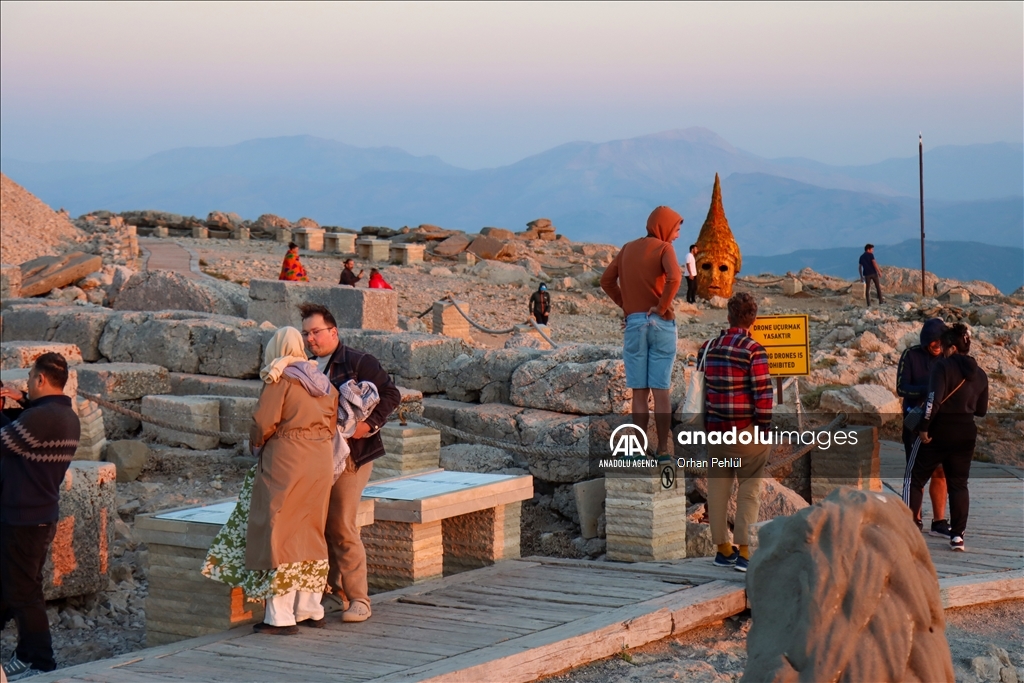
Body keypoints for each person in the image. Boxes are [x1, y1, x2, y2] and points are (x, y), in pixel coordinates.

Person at [203, 327, 338, 635]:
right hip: (319, 461)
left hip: (287, 460)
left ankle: (279, 617)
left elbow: (263, 422)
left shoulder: (282, 379)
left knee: (280, 532)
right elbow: (332, 423)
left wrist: (256, 444)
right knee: (311, 530)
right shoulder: (322, 381)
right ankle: (310, 608)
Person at [299, 303, 401, 623]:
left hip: (353, 455)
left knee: (342, 524)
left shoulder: (358, 361)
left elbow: (390, 394)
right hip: (317, 459)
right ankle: (333, 593)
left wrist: (368, 426)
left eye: (316, 332)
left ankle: (360, 598)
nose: (310, 338)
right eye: (306, 333)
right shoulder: (307, 366)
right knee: (320, 524)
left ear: (333, 332)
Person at [0, 353, 80, 678]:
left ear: (41, 380)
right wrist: (19, 399)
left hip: (24, 518)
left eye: (30, 379)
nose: (28, 384)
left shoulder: (41, 419)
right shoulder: (64, 414)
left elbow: (4, 441)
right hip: (38, 514)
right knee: (14, 586)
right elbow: (31, 425)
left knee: (24, 593)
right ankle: (26, 654)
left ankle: (41, 662)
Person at [601, 206, 683, 460]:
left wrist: (627, 306)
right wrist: (661, 307)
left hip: (635, 324)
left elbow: (606, 281)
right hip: (660, 324)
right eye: (677, 229)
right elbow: (675, 277)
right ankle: (662, 450)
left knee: (639, 392)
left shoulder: (627, 248)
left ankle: (637, 450)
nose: (677, 235)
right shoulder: (664, 248)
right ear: (665, 226)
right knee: (661, 391)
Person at [700, 292, 773, 573]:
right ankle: (744, 552)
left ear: (728, 316)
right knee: (749, 490)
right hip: (745, 432)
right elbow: (763, 396)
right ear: (753, 319)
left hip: (716, 433)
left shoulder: (708, 347)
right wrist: (764, 429)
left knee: (717, 488)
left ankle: (722, 549)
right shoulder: (754, 350)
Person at [904, 324, 988, 552]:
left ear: (950, 347)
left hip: (940, 430)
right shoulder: (980, 374)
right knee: (959, 484)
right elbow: (981, 411)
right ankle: (958, 536)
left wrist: (924, 427)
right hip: (966, 432)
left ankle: (910, 530)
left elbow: (933, 401)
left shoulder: (943, 367)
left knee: (915, 478)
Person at [896, 318, 951, 535]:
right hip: (915, 422)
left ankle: (939, 521)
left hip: (941, 424)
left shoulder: (949, 357)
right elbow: (901, 388)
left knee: (940, 471)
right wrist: (927, 391)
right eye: (932, 341)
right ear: (925, 340)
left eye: (940, 340)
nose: (936, 344)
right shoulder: (910, 355)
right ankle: (914, 521)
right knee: (916, 473)